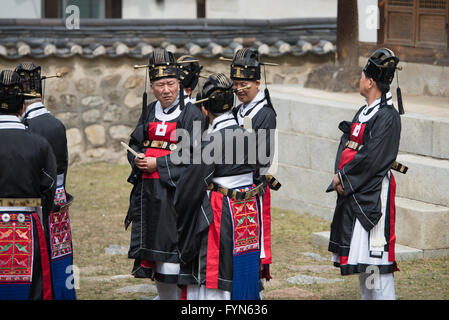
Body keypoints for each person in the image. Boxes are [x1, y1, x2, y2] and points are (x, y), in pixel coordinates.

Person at [169, 73, 263, 299]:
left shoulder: (209, 142)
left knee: (216, 272)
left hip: (221, 213)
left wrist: (179, 214)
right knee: (241, 266)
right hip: (248, 211)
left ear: (204, 109)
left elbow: (189, 190)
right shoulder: (250, 135)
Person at [124, 48, 204, 300]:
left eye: (171, 83)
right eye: (160, 85)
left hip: (175, 194)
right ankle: (163, 294)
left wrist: (159, 165)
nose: (166, 90)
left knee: (173, 248)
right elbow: (135, 141)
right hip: (149, 193)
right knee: (154, 250)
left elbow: (194, 152)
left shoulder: (191, 113)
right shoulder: (149, 111)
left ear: (180, 84)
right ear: (152, 86)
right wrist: (136, 158)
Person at [326, 48, 403, 300]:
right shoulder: (363, 112)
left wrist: (344, 178)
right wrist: (339, 173)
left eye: (362, 76)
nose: (359, 79)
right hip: (355, 191)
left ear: (370, 81)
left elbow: (372, 159)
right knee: (363, 261)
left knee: (376, 262)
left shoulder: (387, 117)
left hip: (372, 196)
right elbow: (347, 144)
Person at [15, 62, 76, 300]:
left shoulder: (24, 126)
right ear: (41, 91)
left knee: (35, 256)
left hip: (33, 200)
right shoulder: (56, 124)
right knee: (59, 255)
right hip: (59, 196)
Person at [0, 70, 57, 300]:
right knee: (32, 287)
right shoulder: (39, 144)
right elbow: (49, 186)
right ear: (22, 107)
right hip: (27, 224)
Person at [230, 48, 278, 288]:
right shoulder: (236, 111)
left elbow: (263, 155)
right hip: (231, 189)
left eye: (245, 83)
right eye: (236, 83)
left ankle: (251, 290)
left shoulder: (266, 114)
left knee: (249, 244)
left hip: (251, 186)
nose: (239, 89)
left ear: (258, 82)